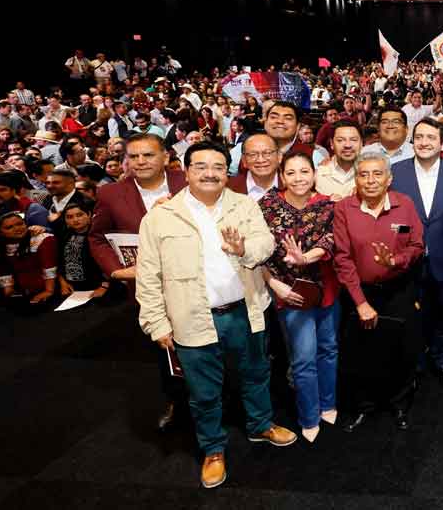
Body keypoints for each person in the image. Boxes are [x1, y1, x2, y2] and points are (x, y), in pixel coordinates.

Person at [136, 140, 296, 489]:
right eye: (201, 166)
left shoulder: (244, 206)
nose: (210, 173)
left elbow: (266, 244)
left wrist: (244, 248)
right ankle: (212, 449)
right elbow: (148, 275)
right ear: (186, 170)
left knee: (256, 373)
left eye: (218, 167)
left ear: (228, 172)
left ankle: (260, 424)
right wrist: (156, 322)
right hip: (191, 317)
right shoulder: (161, 216)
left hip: (245, 310)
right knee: (204, 391)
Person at [89, 133, 188, 430]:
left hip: (195, 281)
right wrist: (117, 271)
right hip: (149, 289)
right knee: (165, 348)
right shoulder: (111, 194)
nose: (141, 162)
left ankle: (215, 399)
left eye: (148, 155)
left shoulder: (188, 182)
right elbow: (97, 238)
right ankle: (177, 402)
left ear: (166, 157)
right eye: (134, 156)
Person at [332, 151, 425, 432]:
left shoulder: (404, 205)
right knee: (361, 353)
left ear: (389, 178)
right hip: (361, 292)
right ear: (356, 179)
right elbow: (342, 258)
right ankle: (365, 407)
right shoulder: (344, 209)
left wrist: (395, 261)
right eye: (363, 174)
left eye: (377, 174)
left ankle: (400, 405)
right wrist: (360, 302)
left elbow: (416, 245)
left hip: (399, 290)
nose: (370, 180)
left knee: (402, 350)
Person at [258, 152, 339, 443]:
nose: (298, 178)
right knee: (303, 358)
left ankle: (329, 403)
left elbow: (330, 240)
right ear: (282, 176)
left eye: (304, 171)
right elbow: (258, 250)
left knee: (328, 349)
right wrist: (271, 282)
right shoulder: (267, 204)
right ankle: (309, 414)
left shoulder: (328, 205)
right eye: (291, 173)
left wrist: (306, 257)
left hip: (326, 289)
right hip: (290, 293)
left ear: (314, 173)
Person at [392, 118, 443, 393]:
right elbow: (392, 219)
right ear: (412, 140)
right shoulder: (395, 172)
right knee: (412, 318)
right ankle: (416, 366)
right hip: (407, 263)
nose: (424, 142)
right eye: (419, 137)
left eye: (430, 138)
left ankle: (441, 360)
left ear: (442, 142)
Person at [0, 171, 51, 272]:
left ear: (13, 191)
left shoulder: (32, 209)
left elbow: (48, 239)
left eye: (2, 190)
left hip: (24, 271)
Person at [0, 211, 59, 314]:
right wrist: (10, 294)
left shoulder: (43, 239)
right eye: (9, 227)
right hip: (20, 292)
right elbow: (3, 272)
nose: (18, 228)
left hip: (48, 288)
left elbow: (49, 267)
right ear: (0, 232)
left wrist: (49, 291)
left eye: (20, 224)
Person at [57, 202, 109, 304]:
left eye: (79, 215)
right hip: (71, 289)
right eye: (69, 217)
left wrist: (104, 286)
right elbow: (59, 261)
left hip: (97, 288)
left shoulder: (99, 236)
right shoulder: (63, 235)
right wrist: (63, 283)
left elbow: (108, 263)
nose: (75, 220)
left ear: (89, 215)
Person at [315, 120, 361, 201]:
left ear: (361, 143)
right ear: (332, 144)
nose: (347, 145)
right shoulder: (318, 175)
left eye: (353, 140)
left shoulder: (372, 176)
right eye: (340, 140)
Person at [228, 133, 279, 201]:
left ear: (279, 156)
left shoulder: (291, 185)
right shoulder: (229, 188)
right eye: (253, 154)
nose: (261, 160)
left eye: (267, 153)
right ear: (244, 160)